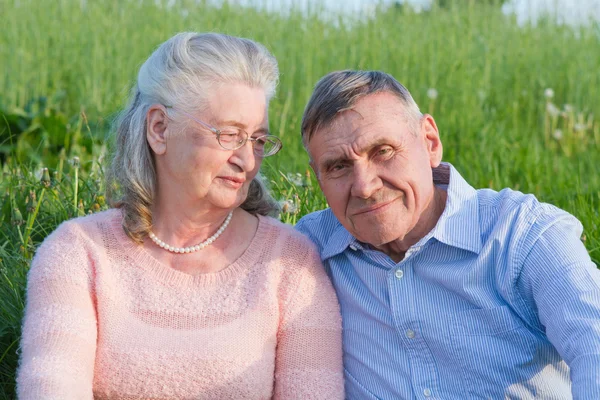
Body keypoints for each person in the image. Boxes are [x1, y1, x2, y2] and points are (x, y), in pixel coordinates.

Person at [16, 33, 344, 399]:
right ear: (159, 128)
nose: (247, 160)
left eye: (256, 140)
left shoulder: (290, 264)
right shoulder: (78, 254)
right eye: (229, 134)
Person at [296, 69, 600, 399]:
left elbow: (593, 347)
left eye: (383, 151)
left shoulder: (524, 236)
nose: (365, 187)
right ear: (317, 178)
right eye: (338, 166)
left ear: (430, 142)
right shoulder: (306, 252)